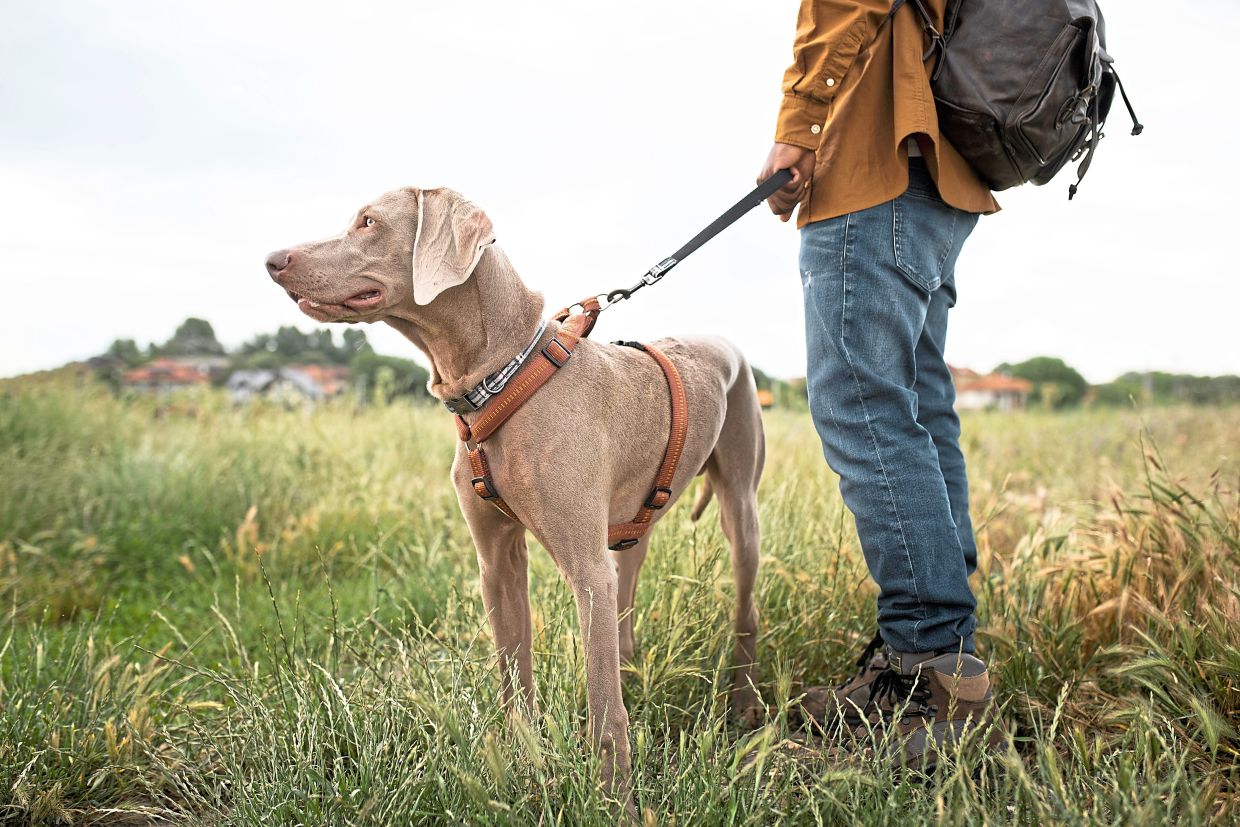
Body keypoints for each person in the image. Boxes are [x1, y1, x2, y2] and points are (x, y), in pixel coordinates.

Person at [757, 0, 1003, 762]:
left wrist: (798, 126)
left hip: (876, 166)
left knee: (862, 408)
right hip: (940, 173)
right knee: (919, 412)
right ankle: (930, 653)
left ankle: (932, 665)